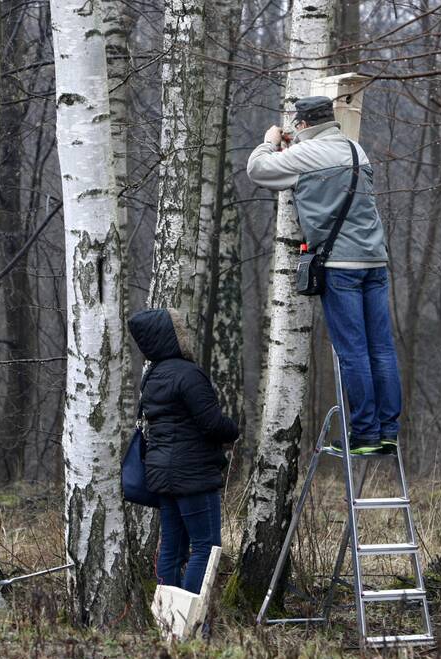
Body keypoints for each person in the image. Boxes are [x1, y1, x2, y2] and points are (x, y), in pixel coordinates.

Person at [246, 95, 402, 455]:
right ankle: (387, 432)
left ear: (302, 125)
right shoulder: (355, 150)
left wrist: (270, 142)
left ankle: (363, 434)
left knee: (353, 353)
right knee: (381, 349)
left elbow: (258, 170)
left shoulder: (306, 156)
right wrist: (295, 147)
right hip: (374, 262)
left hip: (340, 266)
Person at [127, 307, 239, 594]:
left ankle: (168, 622)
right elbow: (212, 423)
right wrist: (234, 430)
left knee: (172, 550)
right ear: (172, 336)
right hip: (193, 474)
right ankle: (190, 624)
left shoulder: (151, 377)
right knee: (205, 547)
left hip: (162, 474)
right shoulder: (188, 374)